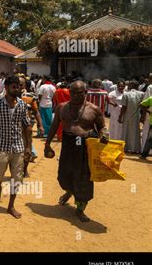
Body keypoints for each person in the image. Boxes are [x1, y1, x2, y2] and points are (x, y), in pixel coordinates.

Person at [44, 81, 109, 222]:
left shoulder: (94, 109)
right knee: (64, 174)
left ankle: (80, 209)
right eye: (73, 92)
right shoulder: (62, 108)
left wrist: (104, 134)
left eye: (80, 92)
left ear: (85, 93)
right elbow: (54, 126)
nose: (76, 95)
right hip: (68, 143)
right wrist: (47, 144)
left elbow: (102, 127)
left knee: (83, 177)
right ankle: (69, 191)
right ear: (70, 92)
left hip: (85, 145)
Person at [0, 75, 31, 219]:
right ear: (6, 88)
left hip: (18, 146)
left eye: (18, 86)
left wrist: (28, 147)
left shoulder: (22, 105)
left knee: (17, 177)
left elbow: (27, 126)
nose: (17, 89)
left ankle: (11, 205)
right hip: (2, 146)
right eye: (14, 86)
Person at [18, 76, 44, 176]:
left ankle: (25, 169)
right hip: (13, 128)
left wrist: (40, 125)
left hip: (27, 128)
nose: (19, 87)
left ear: (25, 85)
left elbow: (36, 112)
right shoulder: (9, 96)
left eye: (21, 85)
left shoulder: (30, 96)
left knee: (27, 150)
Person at [119, 80, 144, 153]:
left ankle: (125, 148)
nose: (128, 86)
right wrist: (142, 116)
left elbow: (124, 107)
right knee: (135, 132)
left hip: (127, 115)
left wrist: (120, 116)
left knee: (126, 131)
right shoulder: (142, 94)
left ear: (132, 85)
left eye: (129, 84)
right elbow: (143, 106)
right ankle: (135, 149)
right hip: (136, 116)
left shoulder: (126, 94)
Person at [140, 95, 152, 159]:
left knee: (149, 139)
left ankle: (144, 155)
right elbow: (141, 104)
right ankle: (144, 155)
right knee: (149, 139)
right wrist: (148, 111)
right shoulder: (151, 99)